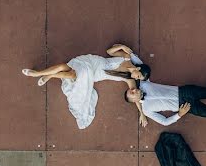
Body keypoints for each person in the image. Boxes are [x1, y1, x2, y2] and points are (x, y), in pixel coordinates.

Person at [22, 44, 150, 129]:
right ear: (138, 68)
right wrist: (122, 46)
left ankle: (49, 76)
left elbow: (137, 99)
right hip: (94, 62)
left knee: (73, 73)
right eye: (138, 76)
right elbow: (109, 51)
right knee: (65, 68)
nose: (136, 78)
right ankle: (38, 74)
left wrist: (142, 113)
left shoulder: (129, 81)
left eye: (138, 79)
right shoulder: (126, 58)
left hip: (94, 75)